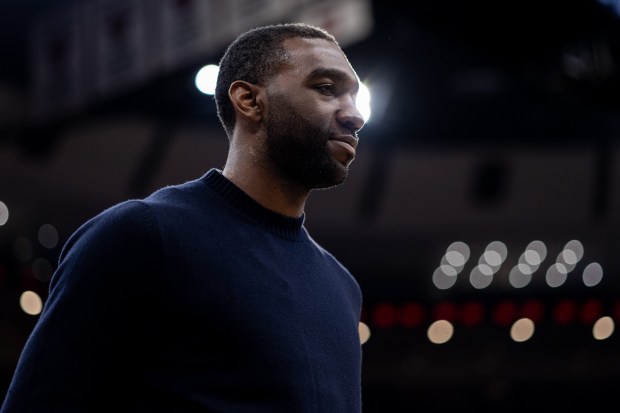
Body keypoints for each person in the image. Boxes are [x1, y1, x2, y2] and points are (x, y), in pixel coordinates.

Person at [0, 22, 366, 412]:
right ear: (249, 101)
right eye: (327, 89)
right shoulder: (142, 236)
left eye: (355, 98)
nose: (355, 116)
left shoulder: (343, 287)